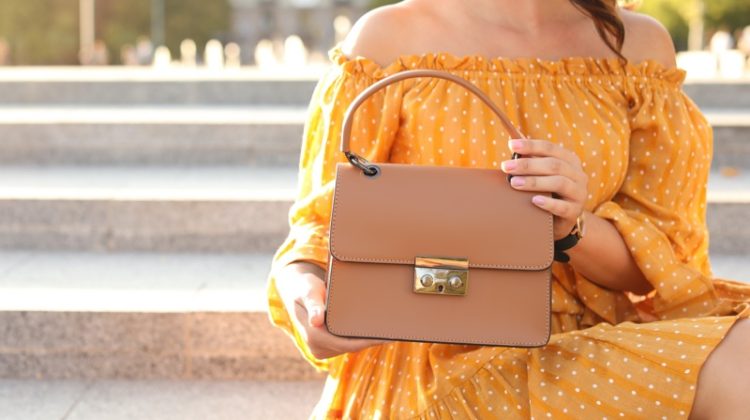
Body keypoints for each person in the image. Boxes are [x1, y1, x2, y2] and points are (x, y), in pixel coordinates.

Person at [266, 0, 750, 418]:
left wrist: (571, 227)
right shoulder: (390, 37)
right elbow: (318, 228)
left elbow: (664, 269)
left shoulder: (637, 47)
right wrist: (307, 295)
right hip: (439, 352)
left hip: (599, 343)